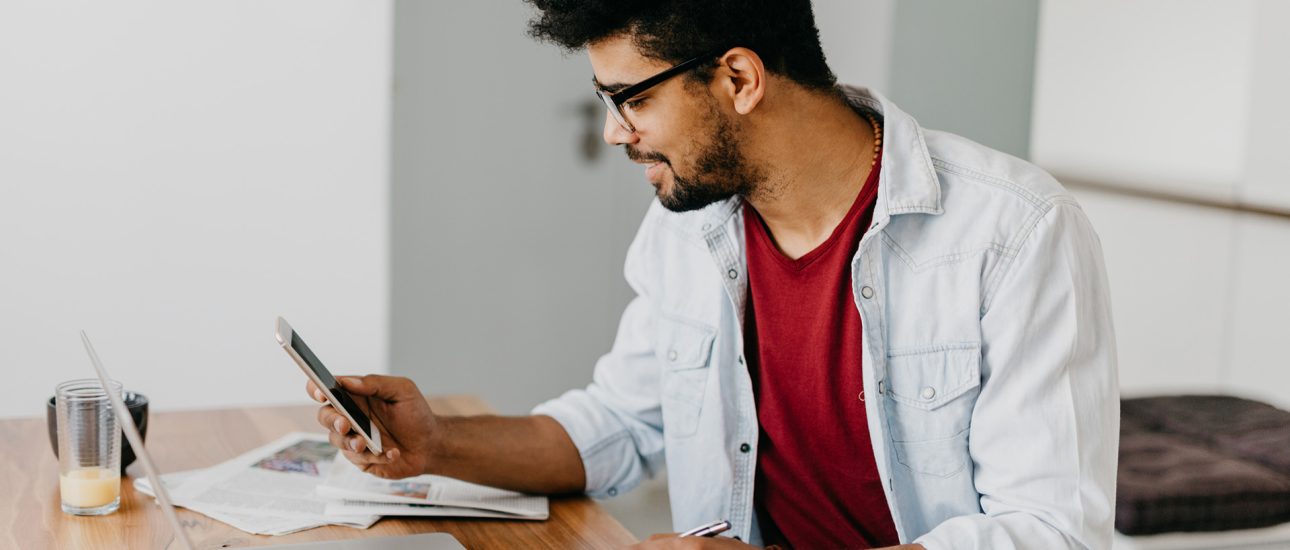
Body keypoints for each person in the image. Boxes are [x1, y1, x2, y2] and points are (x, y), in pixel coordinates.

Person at [308, 1, 1120, 548]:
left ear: (739, 78)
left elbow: (1050, 530)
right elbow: (623, 425)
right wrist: (438, 444)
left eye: (629, 99)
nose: (614, 132)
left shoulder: (1013, 232)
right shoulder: (692, 226)